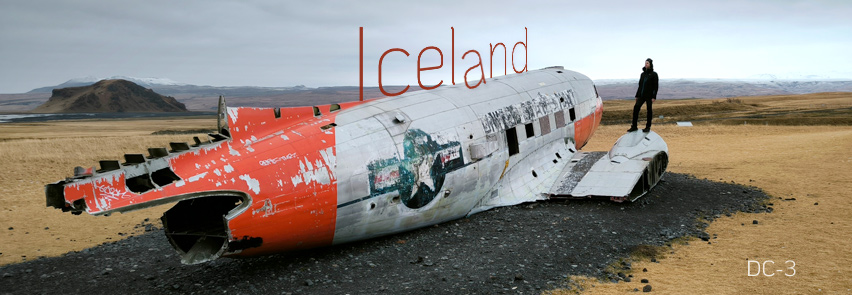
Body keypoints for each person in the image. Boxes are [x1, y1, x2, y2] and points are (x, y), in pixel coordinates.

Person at [628, 58, 659, 133]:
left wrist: (654, 96)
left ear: (650, 64)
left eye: (647, 63)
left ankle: (648, 127)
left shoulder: (654, 74)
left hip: (649, 96)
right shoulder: (642, 74)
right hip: (641, 96)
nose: (646, 64)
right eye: (645, 63)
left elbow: (655, 86)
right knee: (636, 108)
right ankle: (634, 126)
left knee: (649, 111)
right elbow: (640, 86)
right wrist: (637, 95)